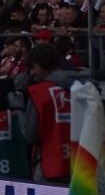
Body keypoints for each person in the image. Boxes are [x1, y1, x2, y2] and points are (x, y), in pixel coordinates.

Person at [23, 42, 74, 183]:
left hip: (49, 166)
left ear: (42, 63)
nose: (32, 73)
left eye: (33, 68)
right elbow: (103, 126)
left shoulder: (39, 92)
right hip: (83, 167)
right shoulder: (85, 88)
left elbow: (30, 135)